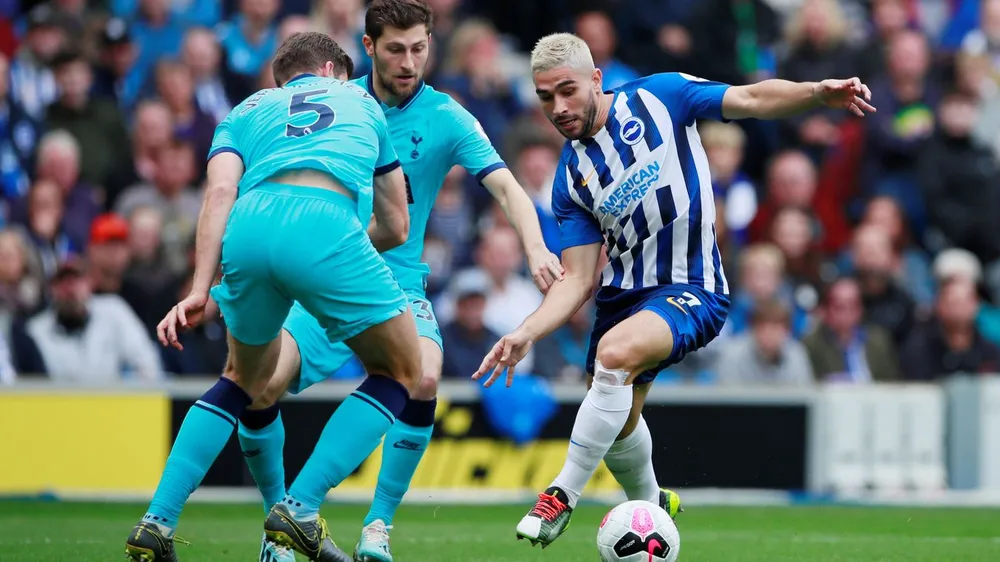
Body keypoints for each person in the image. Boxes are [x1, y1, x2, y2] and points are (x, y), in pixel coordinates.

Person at [472, 32, 876, 548]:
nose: (559, 107)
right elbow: (578, 278)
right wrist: (527, 331)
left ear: (596, 79)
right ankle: (652, 504)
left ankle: (560, 495)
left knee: (615, 356)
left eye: (568, 90)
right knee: (618, 421)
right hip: (622, 298)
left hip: (692, 287)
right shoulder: (571, 179)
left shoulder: (660, 97)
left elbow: (749, 98)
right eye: (546, 97)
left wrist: (815, 94)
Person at [231, 2, 562, 561]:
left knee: (424, 377)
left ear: (431, 43)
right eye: (395, 49)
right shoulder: (340, 104)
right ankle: (279, 529)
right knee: (261, 388)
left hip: (398, 282)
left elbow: (508, 187)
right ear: (367, 47)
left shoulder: (448, 116)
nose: (409, 62)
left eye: (419, 48)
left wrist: (534, 247)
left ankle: (368, 524)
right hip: (323, 276)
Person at [125, 32, 418, 562]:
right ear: (331, 70)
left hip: (249, 226)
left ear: (282, 80)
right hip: (326, 223)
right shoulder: (361, 100)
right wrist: (328, 257)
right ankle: (300, 509)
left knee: (242, 378)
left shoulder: (246, 109)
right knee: (403, 370)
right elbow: (397, 225)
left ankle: (156, 523)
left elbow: (217, 194)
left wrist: (198, 289)